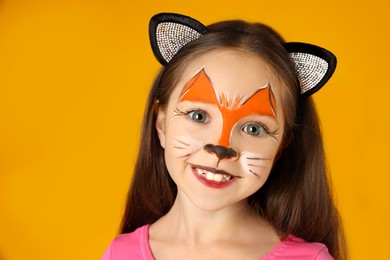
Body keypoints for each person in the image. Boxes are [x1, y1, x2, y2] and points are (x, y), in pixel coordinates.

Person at [102, 13, 346, 260]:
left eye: (254, 129)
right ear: (162, 124)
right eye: (198, 116)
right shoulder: (119, 253)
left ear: (281, 146)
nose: (221, 147)